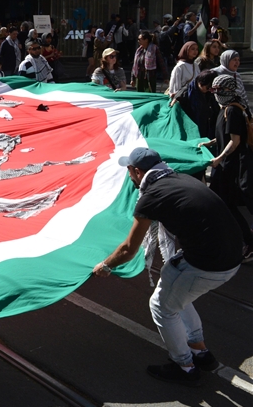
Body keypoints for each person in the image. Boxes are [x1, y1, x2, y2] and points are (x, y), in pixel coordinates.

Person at [92, 147, 242, 386]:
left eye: (129, 171)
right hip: (232, 257)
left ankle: (185, 366)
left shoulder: (152, 196)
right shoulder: (181, 178)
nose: (129, 177)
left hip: (207, 265)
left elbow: (129, 249)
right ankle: (200, 351)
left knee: (161, 307)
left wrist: (105, 266)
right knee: (175, 290)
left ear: (137, 171)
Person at [199, 75, 253, 259]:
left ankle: (246, 240)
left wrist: (219, 158)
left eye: (218, 90)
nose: (215, 94)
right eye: (213, 90)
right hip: (225, 166)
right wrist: (210, 143)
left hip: (229, 167)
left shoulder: (233, 110)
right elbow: (224, 135)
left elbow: (235, 141)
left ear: (229, 90)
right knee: (222, 203)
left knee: (223, 204)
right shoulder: (226, 109)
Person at [175, 70, 220, 151]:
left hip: (209, 128)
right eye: (207, 87)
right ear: (200, 83)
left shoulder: (211, 93)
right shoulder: (186, 93)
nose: (209, 90)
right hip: (193, 129)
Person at [167, 42, 200, 106]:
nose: (195, 51)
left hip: (194, 97)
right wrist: (177, 97)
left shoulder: (195, 65)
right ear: (186, 50)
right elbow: (175, 84)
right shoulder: (180, 66)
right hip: (183, 97)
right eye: (193, 49)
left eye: (196, 49)